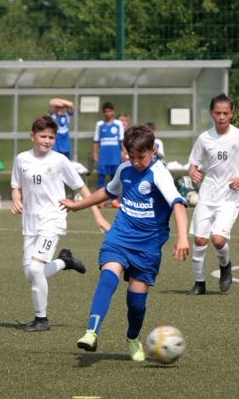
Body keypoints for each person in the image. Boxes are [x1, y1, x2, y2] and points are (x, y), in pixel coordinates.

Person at [60, 124, 190, 362]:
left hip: (149, 245)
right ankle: (91, 332)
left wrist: (182, 237)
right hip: (120, 235)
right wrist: (77, 205)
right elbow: (107, 192)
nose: (136, 162)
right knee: (108, 277)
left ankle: (132, 338)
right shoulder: (124, 169)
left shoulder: (159, 173)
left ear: (153, 150)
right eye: (131, 156)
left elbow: (179, 205)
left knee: (136, 303)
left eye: (141, 157)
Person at [11, 116, 110, 332]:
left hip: (53, 218)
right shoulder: (21, 159)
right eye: (43, 136)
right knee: (31, 274)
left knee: (36, 269)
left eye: (51, 137)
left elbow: (81, 188)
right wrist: (16, 200)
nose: (47, 141)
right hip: (30, 222)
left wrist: (97, 215)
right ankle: (65, 262)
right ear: (32, 136)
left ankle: (41, 319)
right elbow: (16, 186)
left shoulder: (59, 160)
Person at [186, 94, 239, 295]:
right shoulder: (204, 138)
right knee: (200, 240)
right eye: (217, 113)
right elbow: (193, 164)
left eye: (225, 113)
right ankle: (199, 283)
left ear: (231, 113)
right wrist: (192, 172)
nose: (221, 117)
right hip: (208, 194)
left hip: (230, 196)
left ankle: (225, 266)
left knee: (218, 240)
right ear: (211, 113)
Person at [92, 102, 125, 191]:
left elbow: (122, 140)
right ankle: (100, 197)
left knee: (115, 178)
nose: (107, 113)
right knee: (101, 177)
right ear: (103, 112)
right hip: (103, 156)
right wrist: (95, 154)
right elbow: (96, 141)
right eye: (106, 111)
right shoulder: (99, 124)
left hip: (115, 156)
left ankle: (115, 197)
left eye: (109, 111)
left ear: (113, 111)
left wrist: (124, 153)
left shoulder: (118, 124)